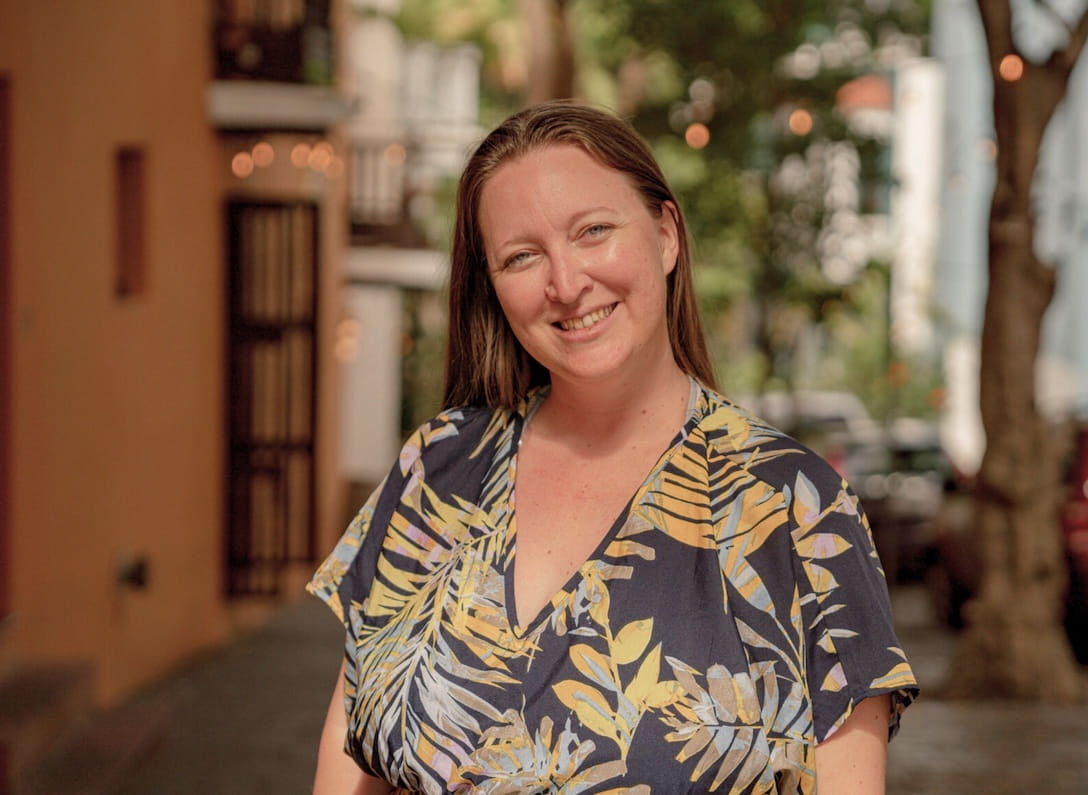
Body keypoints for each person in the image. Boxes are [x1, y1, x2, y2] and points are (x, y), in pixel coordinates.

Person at [309, 100, 918, 794]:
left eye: (593, 231)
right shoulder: (436, 469)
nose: (565, 284)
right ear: (493, 287)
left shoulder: (795, 510)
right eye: (521, 256)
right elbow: (348, 735)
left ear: (665, 235)